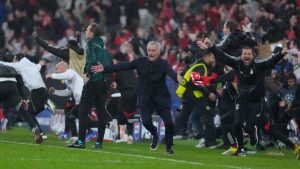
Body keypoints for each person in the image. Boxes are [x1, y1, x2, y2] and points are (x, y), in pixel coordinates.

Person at [198, 38, 288, 156]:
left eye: (228, 66)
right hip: (235, 103)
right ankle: (235, 146)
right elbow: (219, 81)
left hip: (250, 103)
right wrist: (211, 84)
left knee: (261, 127)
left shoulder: (238, 72)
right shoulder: (231, 72)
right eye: (226, 66)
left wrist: (280, 55)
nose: (227, 67)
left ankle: (250, 144)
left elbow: (268, 63)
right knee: (231, 122)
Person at [91, 41, 179, 155]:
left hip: (161, 98)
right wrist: (105, 69)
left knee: (169, 123)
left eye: (153, 50)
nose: (151, 53)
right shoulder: (140, 61)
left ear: (158, 52)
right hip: (145, 98)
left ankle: (169, 146)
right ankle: (154, 134)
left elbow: (171, 73)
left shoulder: (164, 63)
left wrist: (178, 78)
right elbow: (122, 66)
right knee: (146, 122)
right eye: (149, 50)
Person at [67, 23, 112, 149]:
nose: (86, 32)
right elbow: (107, 64)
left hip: (94, 81)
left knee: (82, 110)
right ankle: (99, 142)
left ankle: (81, 141)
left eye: (87, 30)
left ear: (92, 33)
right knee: (101, 111)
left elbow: (91, 60)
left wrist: (88, 75)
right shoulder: (103, 47)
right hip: (103, 82)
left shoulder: (91, 45)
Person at [0, 53, 48, 139]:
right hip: (12, 86)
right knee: (23, 111)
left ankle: (3, 119)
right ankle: (35, 129)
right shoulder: (16, 68)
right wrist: (23, 99)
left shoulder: (15, 66)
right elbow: (20, 84)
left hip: (1, 84)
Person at [46, 61, 84, 143]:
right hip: (80, 100)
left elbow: (65, 75)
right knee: (74, 117)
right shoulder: (67, 79)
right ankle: (75, 137)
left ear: (63, 67)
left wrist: (51, 75)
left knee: (71, 116)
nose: (55, 70)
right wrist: (55, 92)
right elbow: (68, 92)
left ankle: (75, 137)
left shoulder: (70, 72)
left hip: (83, 99)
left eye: (57, 68)